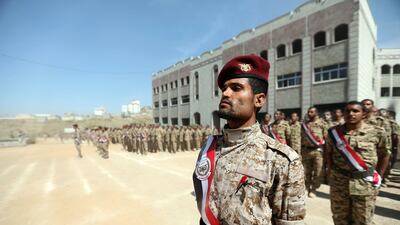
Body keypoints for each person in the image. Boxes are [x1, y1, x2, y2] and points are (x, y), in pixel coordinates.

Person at [192, 55, 305, 225]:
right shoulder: (209, 147)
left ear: (259, 99)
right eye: (224, 88)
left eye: (236, 88)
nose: (225, 93)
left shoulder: (282, 159)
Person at [326, 101, 390, 225]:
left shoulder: (377, 132)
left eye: (355, 111)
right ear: (343, 114)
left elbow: (385, 154)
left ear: (364, 114)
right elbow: (328, 153)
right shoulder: (334, 133)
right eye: (347, 111)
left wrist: (379, 175)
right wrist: (330, 172)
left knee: (363, 219)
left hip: (365, 182)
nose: (351, 114)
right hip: (339, 182)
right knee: (340, 218)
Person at [301, 106, 328, 198]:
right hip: (306, 151)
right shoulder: (305, 124)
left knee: (318, 171)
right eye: (309, 112)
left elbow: (326, 138)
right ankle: (307, 187)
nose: (309, 113)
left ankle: (314, 189)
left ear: (316, 113)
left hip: (318, 151)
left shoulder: (322, 123)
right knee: (305, 171)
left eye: (312, 112)